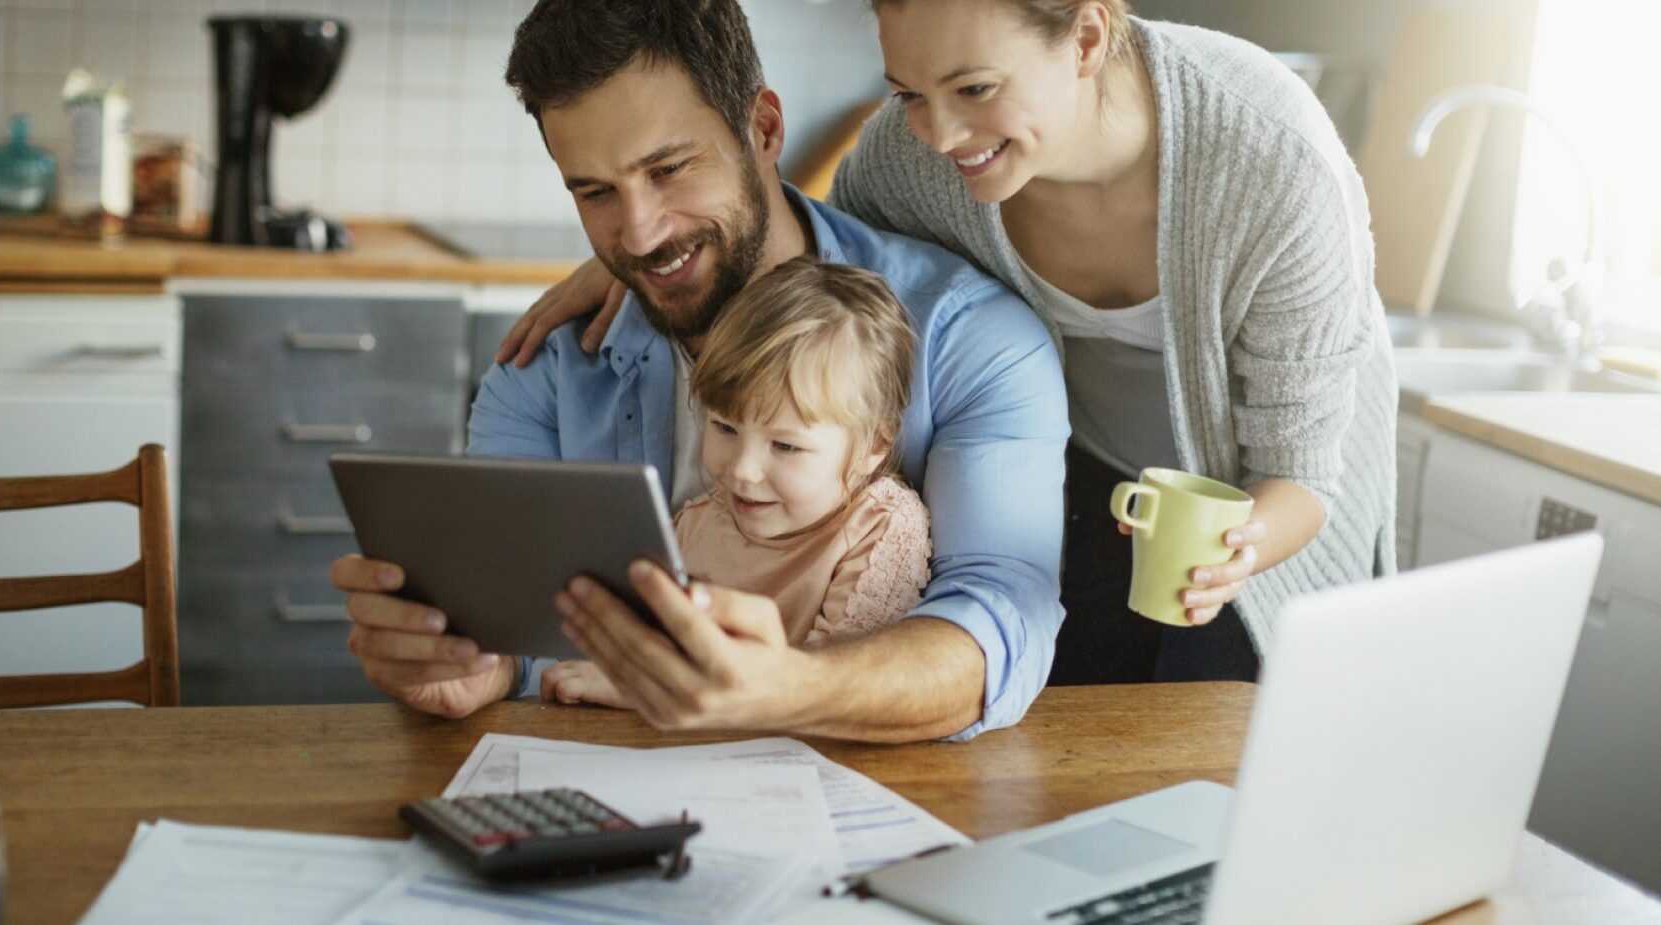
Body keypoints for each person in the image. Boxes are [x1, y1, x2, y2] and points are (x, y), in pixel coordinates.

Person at [497, 0, 1398, 685]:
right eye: (908, 94)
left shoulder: (1272, 160)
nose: (941, 133)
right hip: (1089, 477)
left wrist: (1231, 551)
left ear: (1086, 39)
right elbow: (811, 268)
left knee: (1233, 735)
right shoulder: (911, 152)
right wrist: (642, 262)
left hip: (1261, 503)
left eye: (974, 89)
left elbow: (1302, 472)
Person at [329, 0, 1071, 742]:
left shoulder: (973, 339)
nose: (641, 232)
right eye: (594, 192)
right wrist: (466, 661)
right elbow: (520, 631)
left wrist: (791, 688)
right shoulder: (544, 373)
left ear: (764, 129)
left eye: (668, 169)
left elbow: (1001, 625)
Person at [544, 257, 932, 708]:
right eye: (725, 428)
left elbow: (836, 693)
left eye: (785, 446)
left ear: (875, 446)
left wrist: (647, 690)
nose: (743, 470)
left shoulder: (881, 528)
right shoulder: (695, 525)